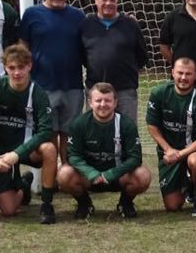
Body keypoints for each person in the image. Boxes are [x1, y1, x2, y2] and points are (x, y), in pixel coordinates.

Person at [0, 44, 59, 223]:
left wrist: (17, 154)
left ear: (29, 66)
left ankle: (46, 203)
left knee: (50, 148)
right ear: (5, 67)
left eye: (21, 67)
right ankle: (23, 185)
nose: (16, 73)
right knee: (9, 210)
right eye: (11, 68)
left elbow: (46, 130)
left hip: (26, 149)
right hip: (1, 153)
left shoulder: (38, 93)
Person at [58, 82, 151, 220]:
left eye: (107, 100)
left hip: (117, 176)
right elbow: (73, 156)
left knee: (143, 175)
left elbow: (135, 157)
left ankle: (125, 203)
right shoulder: (79, 124)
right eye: (98, 100)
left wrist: (112, 173)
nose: (103, 104)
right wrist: (91, 173)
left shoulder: (126, 124)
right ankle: (84, 204)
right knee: (64, 174)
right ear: (90, 102)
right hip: (90, 177)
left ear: (115, 103)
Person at [21, 0, 86, 163]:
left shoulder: (77, 16)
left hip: (72, 84)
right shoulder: (32, 14)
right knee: (49, 132)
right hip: (43, 84)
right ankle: (52, 177)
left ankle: (67, 170)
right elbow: (23, 45)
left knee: (69, 132)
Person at [145, 57, 196, 216]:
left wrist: (178, 155)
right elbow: (152, 126)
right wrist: (168, 149)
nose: (183, 77)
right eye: (180, 73)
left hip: (191, 150)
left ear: (195, 75)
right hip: (168, 152)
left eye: (188, 74)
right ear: (172, 73)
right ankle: (186, 184)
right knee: (172, 206)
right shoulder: (159, 93)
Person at [79, 0, 147, 120]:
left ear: (117, 1)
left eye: (112, 0)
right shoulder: (86, 25)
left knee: (127, 131)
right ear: (96, 1)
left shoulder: (130, 24)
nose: (108, 3)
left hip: (125, 91)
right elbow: (82, 57)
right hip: (96, 91)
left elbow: (142, 56)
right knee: (95, 132)